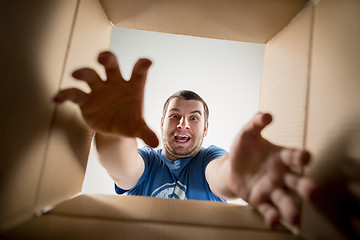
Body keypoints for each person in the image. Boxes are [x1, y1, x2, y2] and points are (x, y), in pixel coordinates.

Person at [54, 51, 316, 229]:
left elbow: (222, 173)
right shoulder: (149, 160)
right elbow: (121, 166)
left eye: (194, 118)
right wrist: (114, 133)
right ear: (162, 122)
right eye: (175, 115)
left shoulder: (210, 158)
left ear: (206, 128)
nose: (183, 124)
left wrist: (236, 172)